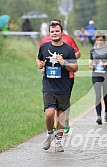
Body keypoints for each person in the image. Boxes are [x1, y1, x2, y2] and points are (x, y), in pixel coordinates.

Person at [36, 21, 78, 152]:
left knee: (60, 115)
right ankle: (49, 134)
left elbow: (75, 68)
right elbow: (38, 59)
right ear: (50, 33)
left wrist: (64, 62)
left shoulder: (68, 49)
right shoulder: (44, 46)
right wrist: (40, 65)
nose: (54, 33)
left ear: (61, 32)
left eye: (56, 31)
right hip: (49, 85)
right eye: (52, 32)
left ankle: (58, 142)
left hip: (64, 87)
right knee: (49, 113)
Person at [89, 31, 107, 125]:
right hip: (96, 75)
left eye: (101, 40)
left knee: (105, 95)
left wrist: (105, 64)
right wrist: (91, 64)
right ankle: (98, 116)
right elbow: (90, 62)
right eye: (98, 40)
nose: (99, 42)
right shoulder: (92, 50)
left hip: (106, 75)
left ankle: (106, 111)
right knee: (98, 95)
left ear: (104, 40)